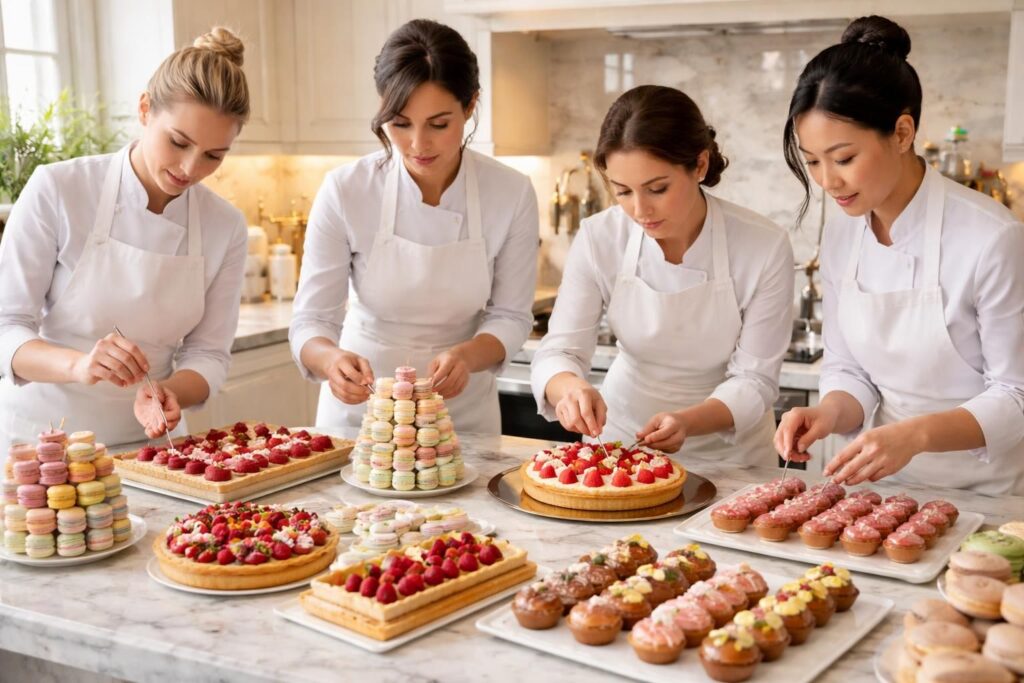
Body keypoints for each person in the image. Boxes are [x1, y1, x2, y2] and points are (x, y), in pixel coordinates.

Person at [774, 16, 1024, 495]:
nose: (827, 181)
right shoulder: (844, 236)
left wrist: (916, 434)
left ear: (903, 132)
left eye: (843, 158)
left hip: (987, 495)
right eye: (812, 162)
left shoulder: (992, 238)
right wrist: (827, 412)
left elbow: (1016, 395)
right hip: (883, 489)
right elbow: (849, 369)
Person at [0, 27, 250, 459]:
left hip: (152, 451)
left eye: (214, 155)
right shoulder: (60, 189)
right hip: (43, 449)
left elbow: (209, 353)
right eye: (178, 142)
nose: (190, 169)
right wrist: (79, 366)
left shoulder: (224, 225)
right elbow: (6, 326)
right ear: (144, 108)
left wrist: (168, 390)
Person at [289, 19, 538, 434]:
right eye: (400, 124)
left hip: (463, 417)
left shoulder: (510, 192)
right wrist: (331, 361)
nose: (418, 144)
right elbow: (310, 321)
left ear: (471, 105)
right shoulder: (346, 189)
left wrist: (468, 357)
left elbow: (511, 316)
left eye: (439, 124)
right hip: (360, 418)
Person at [530, 85, 793, 464]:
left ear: (700, 166)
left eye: (657, 189)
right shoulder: (600, 237)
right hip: (621, 443)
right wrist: (568, 388)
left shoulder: (762, 245)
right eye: (622, 192)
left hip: (732, 457)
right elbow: (559, 350)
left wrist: (686, 421)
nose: (640, 210)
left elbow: (755, 381)